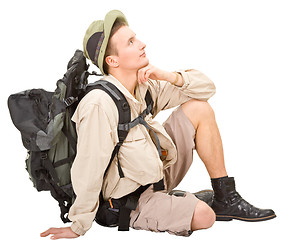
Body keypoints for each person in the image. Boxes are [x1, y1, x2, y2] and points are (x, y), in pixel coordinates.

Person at [40, 9, 276, 240]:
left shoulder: (144, 85)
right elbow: (88, 167)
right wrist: (79, 225)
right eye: (131, 42)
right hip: (129, 201)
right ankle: (182, 203)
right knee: (205, 216)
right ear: (112, 60)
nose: (142, 44)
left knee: (198, 108)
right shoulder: (99, 104)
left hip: (156, 175)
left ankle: (226, 197)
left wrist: (168, 76)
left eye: (136, 37)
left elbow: (207, 89)